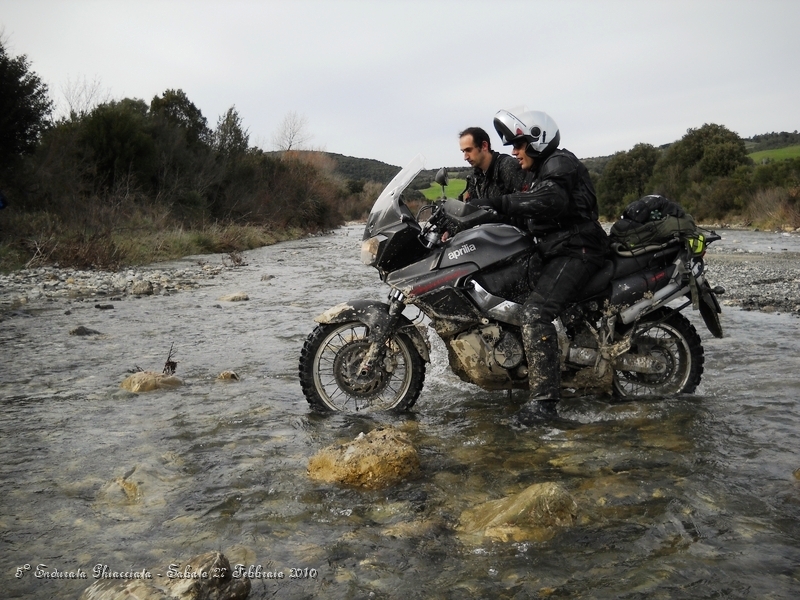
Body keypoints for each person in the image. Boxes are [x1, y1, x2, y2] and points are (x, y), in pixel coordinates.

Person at [472, 108, 609, 422]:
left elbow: (551, 200)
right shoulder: (538, 172)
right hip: (554, 249)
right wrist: (467, 216)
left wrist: (497, 202)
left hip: (578, 250)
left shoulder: (559, 164)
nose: (514, 151)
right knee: (508, 288)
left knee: (536, 312)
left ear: (538, 140)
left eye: (519, 145)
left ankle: (545, 405)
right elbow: (519, 209)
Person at [457, 126, 524, 202]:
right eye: (463, 151)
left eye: (469, 150)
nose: (465, 157)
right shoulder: (475, 177)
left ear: (484, 146)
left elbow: (524, 202)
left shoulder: (508, 166)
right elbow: (470, 206)